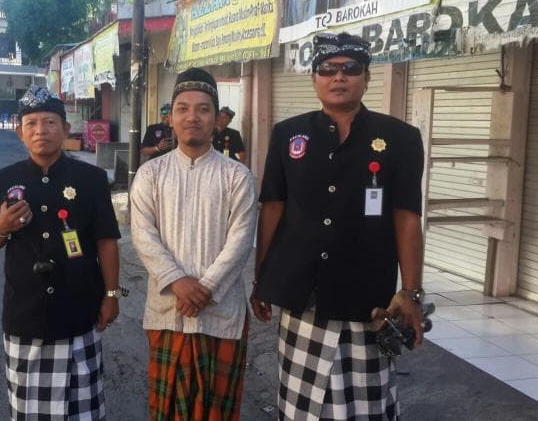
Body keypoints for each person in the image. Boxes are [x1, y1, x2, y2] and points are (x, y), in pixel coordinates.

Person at [250, 32, 425, 420]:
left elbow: (407, 217)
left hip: (368, 297)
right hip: (302, 293)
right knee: (300, 403)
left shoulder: (400, 138)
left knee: (366, 404)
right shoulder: (288, 134)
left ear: (366, 77)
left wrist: (411, 292)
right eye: (327, 69)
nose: (338, 77)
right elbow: (273, 208)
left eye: (350, 69)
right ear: (314, 78)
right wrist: (261, 277)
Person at [0, 85, 121, 420]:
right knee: (29, 411)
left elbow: (106, 241)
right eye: (32, 124)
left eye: (50, 122)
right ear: (20, 132)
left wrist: (112, 295)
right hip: (25, 315)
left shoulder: (92, 179)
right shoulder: (5, 179)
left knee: (82, 409)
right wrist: (3, 226)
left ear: (66, 129)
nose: (41, 130)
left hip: (79, 310)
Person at [130, 68, 257, 420]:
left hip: (220, 311)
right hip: (168, 309)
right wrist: (178, 281)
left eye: (203, 109)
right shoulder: (151, 174)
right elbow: (142, 235)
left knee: (217, 408)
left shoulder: (237, 176)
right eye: (183, 108)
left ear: (217, 119)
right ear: (170, 118)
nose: (192, 117)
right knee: (167, 408)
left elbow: (241, 239)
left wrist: (206, 287)